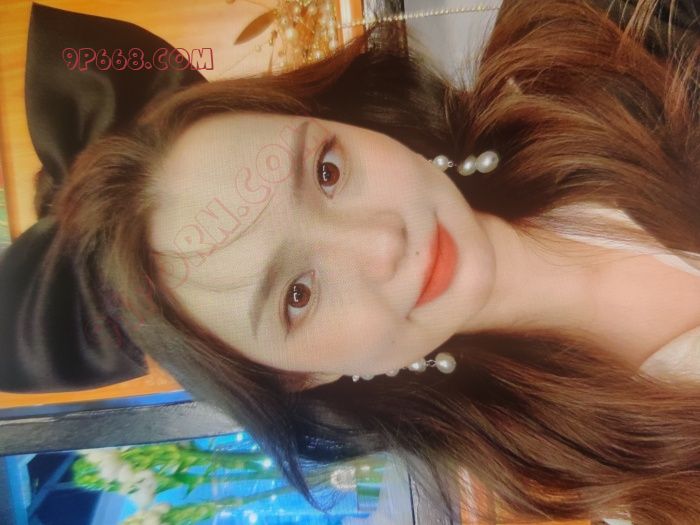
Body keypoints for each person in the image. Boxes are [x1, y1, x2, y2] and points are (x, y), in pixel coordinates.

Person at [2, 0, 699, 523]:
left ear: (345, 123)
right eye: (298, 294)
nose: (381, 243)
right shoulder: (592, 488)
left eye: (328, 172)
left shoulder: (611, 35)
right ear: (302, 377)